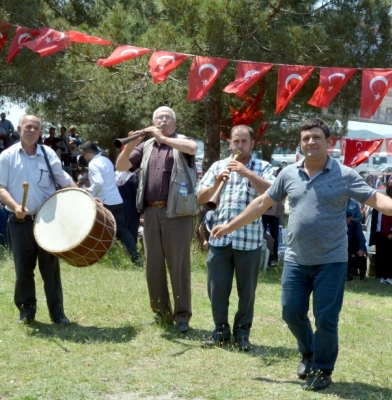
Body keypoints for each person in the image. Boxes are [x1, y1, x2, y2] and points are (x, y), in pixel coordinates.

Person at [211, 117, 392, 391]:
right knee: (290, 312)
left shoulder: (344, 174)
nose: (311, 142)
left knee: (326, 318)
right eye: (306, 138)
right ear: (301, 142)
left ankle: (322, 369)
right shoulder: (289, 173)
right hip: (296, 259)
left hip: (331, 260)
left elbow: (375, 198)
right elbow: (262, 202)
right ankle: (308, 352)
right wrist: (229, 226)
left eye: (316, 137)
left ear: (328, 142)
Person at [115, 106, 198, 334]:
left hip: (178, 214)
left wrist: (162, 137)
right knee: (153, 266)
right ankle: (162, 314)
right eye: (158, 118)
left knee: (178, 266)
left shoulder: (183, 141)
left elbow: (192, 148)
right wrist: (132, 142)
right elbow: (121, 166)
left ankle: (182, 316)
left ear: (175, 124)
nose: (162, 120)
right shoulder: (146, 146)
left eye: (167, 117)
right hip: (151, 213)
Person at [0, 115, 77, 325]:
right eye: (28, 126)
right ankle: (26, 312)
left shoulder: (48, 155)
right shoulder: (7, 156)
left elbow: (65, 181)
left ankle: (57, 314)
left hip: (48, 221)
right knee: (23, 270)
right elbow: (0, 188)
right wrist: (15, 207)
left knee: (51, 270)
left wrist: (87, 199)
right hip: (20, 222)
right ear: (19, 129)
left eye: (37, 128)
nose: (32, 130)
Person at [196, 124, 274, 351]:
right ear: (230, 143)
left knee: (246, 292)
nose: (239, 146)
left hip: (249, 240)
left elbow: (273, 193)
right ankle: (220, 332)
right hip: (220, 239)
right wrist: (217, 182)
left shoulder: (263, 166)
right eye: (235, 141)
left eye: (244, 142)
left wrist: (247, 172)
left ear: (252, 144)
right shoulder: (218, 166)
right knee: (216, 288)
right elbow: (201, 197)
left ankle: (242, 334)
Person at [81, 141, 142, 266]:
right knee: (123, 231)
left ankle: (97, 256)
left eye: (84, 155)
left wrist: (89, 192)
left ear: (88, 153)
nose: (84, 157)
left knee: (97, 230)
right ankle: (136, 258)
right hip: (116, 199)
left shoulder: (93, 164)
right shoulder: (106, 160)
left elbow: (98, 183)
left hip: (104, 201)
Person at [369, 183, 392, 287]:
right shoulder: (388, 203)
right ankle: (391, 278)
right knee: (391, 256)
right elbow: (383, 219)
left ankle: (389, 277)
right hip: (388, 234)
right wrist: (387, 233)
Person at [346, 209, 367, 281]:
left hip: (354, 247)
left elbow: (362, 239)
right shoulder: (339, 226)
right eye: (345, 217)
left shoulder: (356, 225)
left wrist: (361, 249)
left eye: (348, 217)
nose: (346, 218)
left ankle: (362, 276)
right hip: (343, 248)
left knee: (361, 258)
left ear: (351, 217)